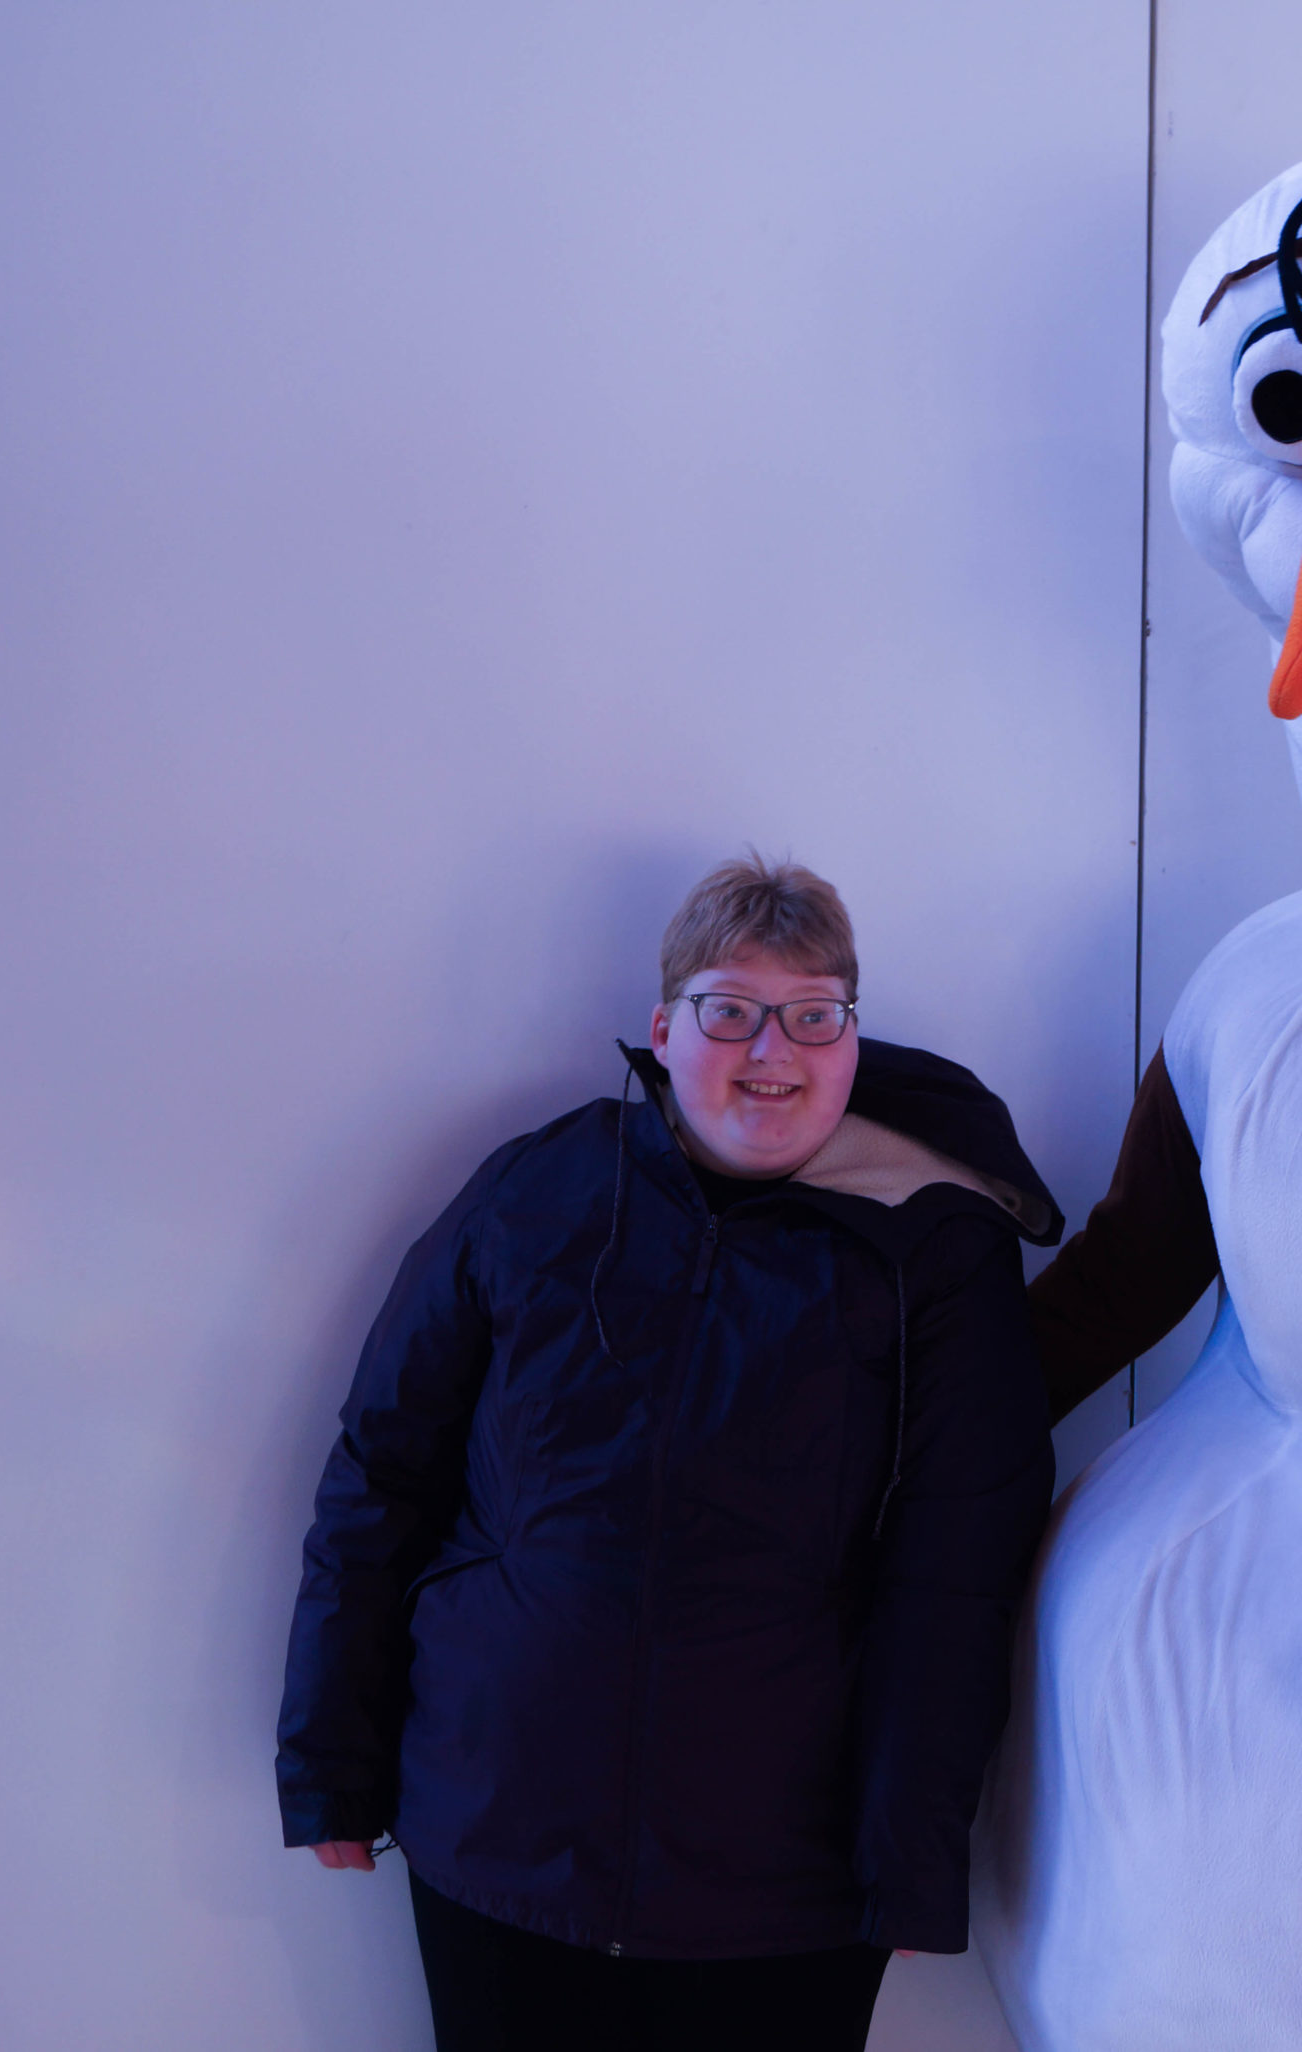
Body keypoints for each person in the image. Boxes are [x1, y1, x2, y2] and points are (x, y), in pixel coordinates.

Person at [277, 855, 1060, 2052]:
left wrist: (913, 1856)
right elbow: (382, 1472)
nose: (772, 1050)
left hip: (778, 1894)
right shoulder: (537, 1193)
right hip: (497, 1840)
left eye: (812, 1016)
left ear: (850, 1038)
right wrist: (332, 1762)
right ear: (662, 1030)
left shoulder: (937, 1253)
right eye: (729, 1010)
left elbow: (957, 1571)